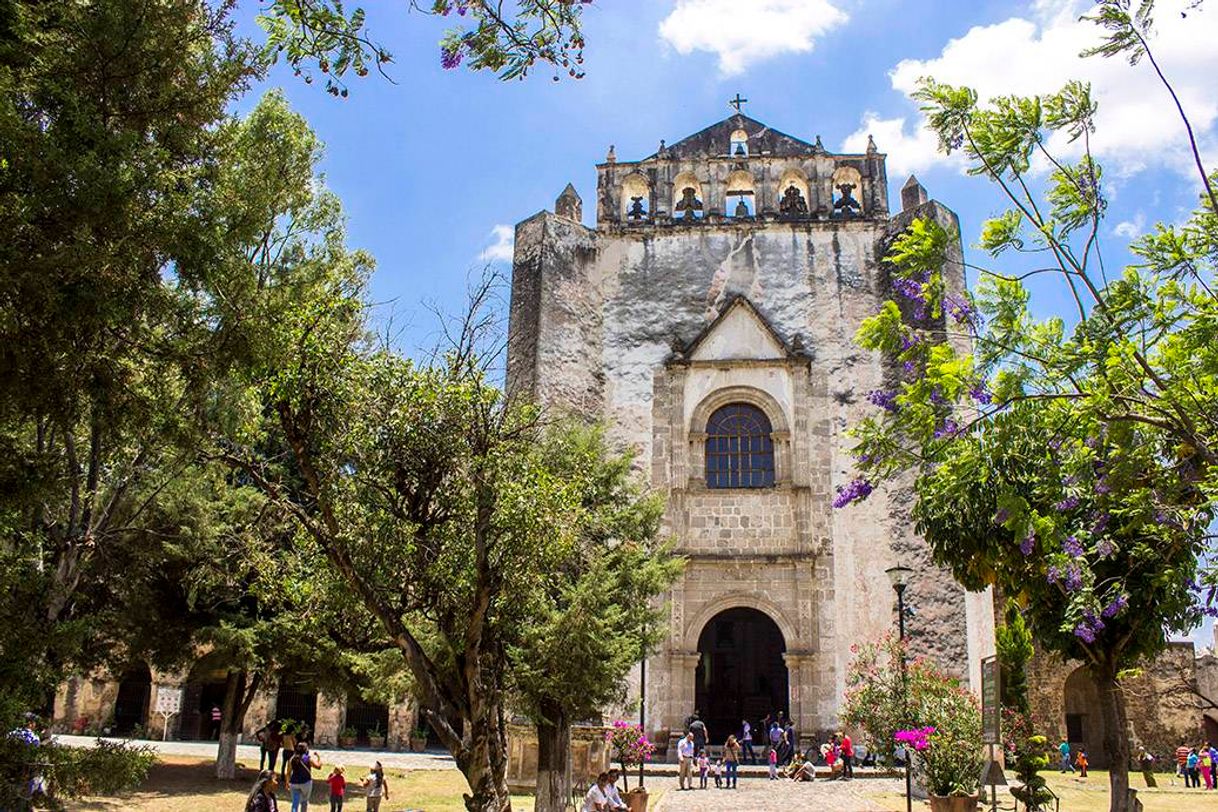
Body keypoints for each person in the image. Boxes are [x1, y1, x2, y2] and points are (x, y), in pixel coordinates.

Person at [287, 741, 321, 812]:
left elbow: (288, 772)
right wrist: (318, 757)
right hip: (306, 782)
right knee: (304, 802)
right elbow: (318, 766)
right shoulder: (307, 758)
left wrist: (287, 782)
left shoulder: (292, 759)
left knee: (295, 803)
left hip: (294, 783)